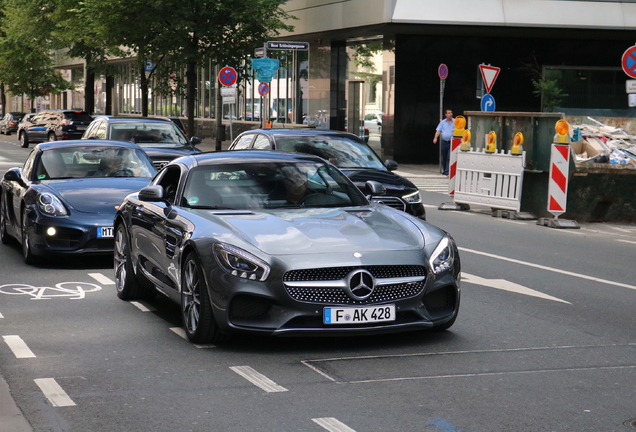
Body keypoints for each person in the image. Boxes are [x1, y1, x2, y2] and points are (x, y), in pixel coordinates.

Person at [433, 109, 454, 176]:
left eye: (451, 113)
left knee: (449, 157)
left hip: (451, 142)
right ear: (445, 115)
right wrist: (435, 137)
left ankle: (447, 171)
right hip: (444, 142)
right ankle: (445, 170)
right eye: (449, 113)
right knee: (444, 157)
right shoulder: (443, 122)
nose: (450, 114)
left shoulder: (455, 122)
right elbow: (438, 130)